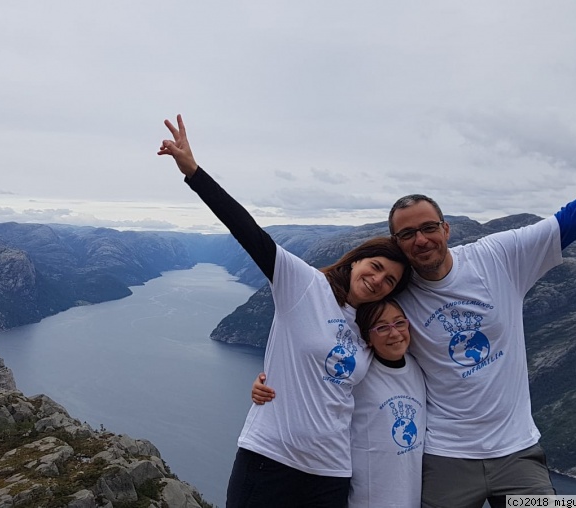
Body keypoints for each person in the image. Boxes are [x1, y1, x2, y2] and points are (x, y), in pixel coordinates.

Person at [386, 111, 576, 508]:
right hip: (444, 452)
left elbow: (573, 219)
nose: (420, 240)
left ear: (446, 229)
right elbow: (335, 315)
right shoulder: (395, 289)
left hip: (516, 450)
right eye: (407, 234)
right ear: (396, 242)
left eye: (427, 228)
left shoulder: (497, 257)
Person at [158, 114, 412, 508]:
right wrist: (193, 172)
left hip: (330, 472)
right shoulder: (305, 285)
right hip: (269, 457)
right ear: (358, 261)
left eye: (390, 280)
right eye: (376, 267)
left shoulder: (371, 330)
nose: (379, 280)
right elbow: (249, 231)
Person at [253, 298, 427, 507]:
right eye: (381, 327)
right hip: (364, 498)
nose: (395, 333)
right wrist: (264, 385)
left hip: (409, 496)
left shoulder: (417, 368)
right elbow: (308, 387)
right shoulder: (358, 374)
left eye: (400, 323)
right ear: (367, 337)